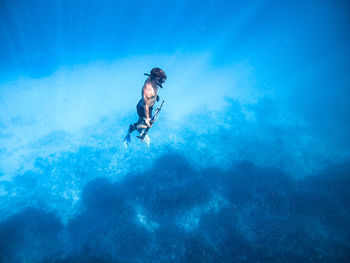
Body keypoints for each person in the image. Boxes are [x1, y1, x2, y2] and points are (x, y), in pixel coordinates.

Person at [124, 67, 167, 147]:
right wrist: (147, 119)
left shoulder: (154, 80)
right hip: (143, 109)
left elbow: (154, 91)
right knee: (146, 125)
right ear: (154, 79)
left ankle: (139, 129)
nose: (162, 82)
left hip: (145, 105)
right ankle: (132, 128)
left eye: (163, 80)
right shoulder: (148, 91)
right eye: (161, 80)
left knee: (141, 122)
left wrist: (155, 97)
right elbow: (146, 106)